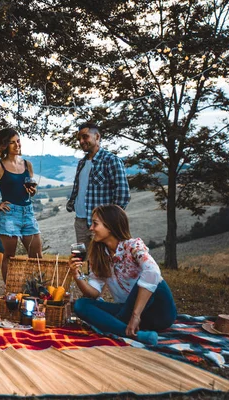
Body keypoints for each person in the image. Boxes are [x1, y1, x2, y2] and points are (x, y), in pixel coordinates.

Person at [69, 205, 177, 345]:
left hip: (159, 313)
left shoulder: (132, 246)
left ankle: (114, 324)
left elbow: (153, 271)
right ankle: (135, 335)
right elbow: (94, 293)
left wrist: (135, 315)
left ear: (110, 226)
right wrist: (76, 275)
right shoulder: (101, 256)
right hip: (127, 310)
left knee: (150, 277)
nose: (91, 228)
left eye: (95, 223)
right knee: (81, 305)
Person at [0, 127, 41, 282]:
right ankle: (11, 292)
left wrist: (33, 191)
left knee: (37, 257)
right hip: (10, 214)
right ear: (4, 145)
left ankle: (36, 290)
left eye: (18, 141)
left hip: (28, 213)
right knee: (9, 258)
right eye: (12, 142)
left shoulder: (27, 164)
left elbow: (31, 191)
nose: (17, 145)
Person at [66, 122, 130, 251]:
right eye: (79, 139)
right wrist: (71, 202)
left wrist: (109, 221)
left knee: (105, 261)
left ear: (97, 137)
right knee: (87, 263)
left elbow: (123, 195)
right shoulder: (81, 163)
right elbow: (79, 188)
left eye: (85, 137)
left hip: (102, 224)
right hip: (81, 222)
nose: (81, 141)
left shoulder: (111, 160)